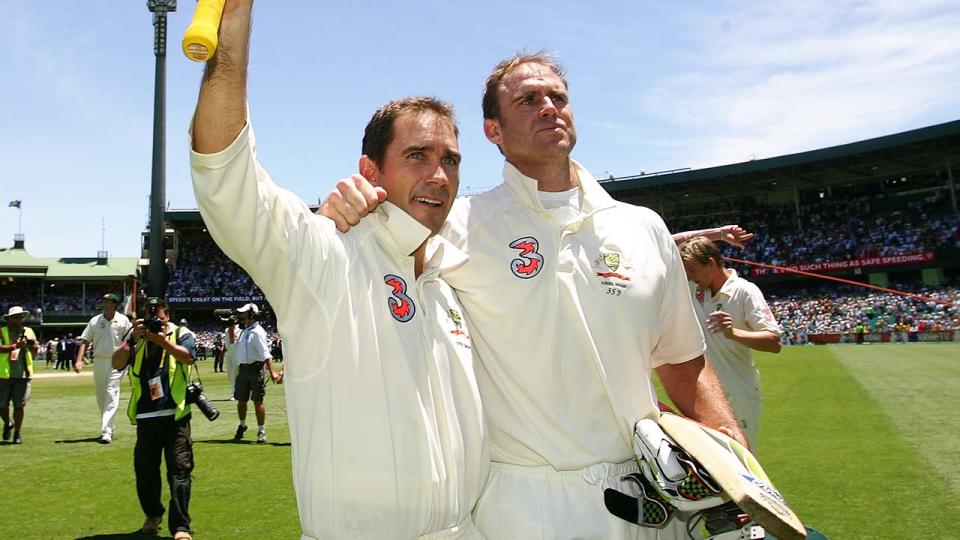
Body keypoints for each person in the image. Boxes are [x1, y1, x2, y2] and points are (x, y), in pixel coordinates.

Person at [321, 52, 746, 538]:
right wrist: (345, 213)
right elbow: (376, 254)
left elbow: (681, 360)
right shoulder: (455, 224)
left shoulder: (643, 227)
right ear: (493, 131)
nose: (548, 107)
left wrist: (732, 448)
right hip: (527, 505)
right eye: (527, 100)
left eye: (557, 97)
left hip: (653, 499)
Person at [189, 4, 487, 536]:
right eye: (418, 155)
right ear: (370, 170)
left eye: (451, 159)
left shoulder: (453, 281)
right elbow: (225, 174)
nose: (439, 176)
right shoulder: (325, 255)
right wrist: (232, 23)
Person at [678, 237, 782, 449]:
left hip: (738, 394)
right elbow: (665, 240)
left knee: (740, 461)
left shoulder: (744, 291)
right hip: (703, 394)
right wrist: (720, 233)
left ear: (711, 263)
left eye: (692, 269)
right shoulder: (694, 287)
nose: (689, 276)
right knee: (709, 464)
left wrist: (732, 333)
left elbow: (773, 341)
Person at [111, 298, 197, 540]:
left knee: (179, 471)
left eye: (157, 313)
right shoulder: (135, 337)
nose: (153, 318)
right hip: (147, 415)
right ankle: (153, 514)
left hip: (175, 415)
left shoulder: (182, 333)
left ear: (167, 314)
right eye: (148, 313)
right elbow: (117, 363)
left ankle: (181, 527)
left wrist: (161, 341)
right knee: (145, 471)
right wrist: (132, 339)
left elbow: (188, 357)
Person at [75, 292, 133, 444]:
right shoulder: (95, 321)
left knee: (111, 392)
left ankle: (106, 432)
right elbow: (86, 341)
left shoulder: (123, 320)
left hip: (117, 361)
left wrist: (128, 359)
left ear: (115, 304)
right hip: (99, 360)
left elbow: (130, 341)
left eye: (109, 302)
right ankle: (110, 426)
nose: (106, 304)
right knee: (101, 396)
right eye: (104, 301)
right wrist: (79, 360)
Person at [229, 303, 281, 443]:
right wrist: (229, 327)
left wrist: (272, 372)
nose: (240, 316)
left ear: (252, 314)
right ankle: (242, 424)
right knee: (241, 400)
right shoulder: (244, 331)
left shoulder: (257, 332)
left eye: (243, 313)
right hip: (243, 369)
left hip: (255, 368)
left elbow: (266, 354)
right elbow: (233, 344)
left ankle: (261, 430)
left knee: (258, 401)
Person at [0, 306, 38, 444]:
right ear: (9, 319)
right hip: (3, 374)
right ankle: (8, 422)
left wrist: (31, 346)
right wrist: (15, 346)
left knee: (19, 406)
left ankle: (17, 433)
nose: (18, 320)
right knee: (1, 405)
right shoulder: (1, 332)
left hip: (22, 374)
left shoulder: (28, 331)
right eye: (15, 317)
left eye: (20, 317)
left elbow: (34, 348)